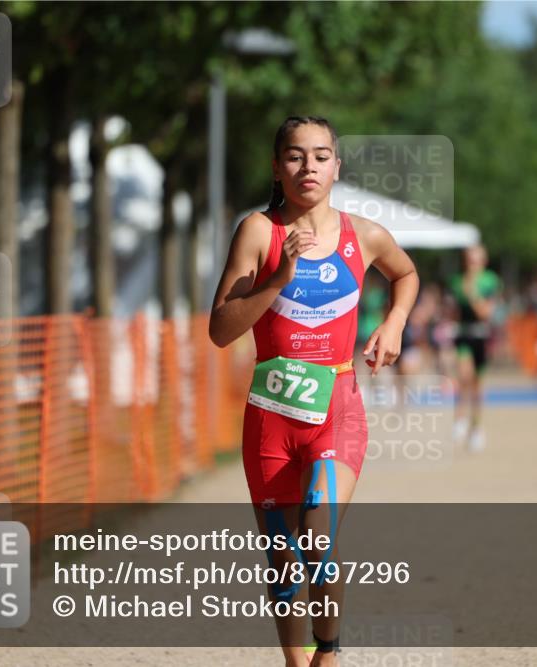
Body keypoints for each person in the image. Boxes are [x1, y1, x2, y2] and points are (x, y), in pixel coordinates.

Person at [209, 115, 418, 667]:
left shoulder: (362, 235)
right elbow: (220, 329)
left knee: (317, 542)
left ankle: (329, 652)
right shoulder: (259, 231)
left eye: (321, 156)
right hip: (270, 419)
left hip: (336, 411)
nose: (309, 167)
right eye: (296, 156)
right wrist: (279, 277)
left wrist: (394, 323)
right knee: (282, 558)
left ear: (336, 167)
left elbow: (406, 274)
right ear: (277, 168)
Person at [448, 244, 502, 452]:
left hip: (482, 336)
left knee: (478, 385)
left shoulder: (490, 281)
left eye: (476, 260)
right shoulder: (457, 281)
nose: (473, 264)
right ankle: (459, 419)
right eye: (469, 260)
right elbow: (454, 311)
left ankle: (476, 427)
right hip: (463, 335)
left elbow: (485, 313)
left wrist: (472, 293)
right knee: (464, 376)